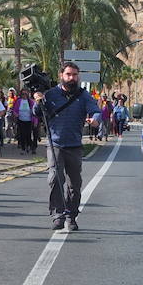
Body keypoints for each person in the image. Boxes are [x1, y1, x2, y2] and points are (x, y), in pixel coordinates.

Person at [37, 62, 99, 231]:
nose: (72, 78)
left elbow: (96, 110)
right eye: (68, 74)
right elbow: (38, 113)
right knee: (56, 178)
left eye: (75, 75)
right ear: (61, 76)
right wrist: (38, 101)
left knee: (74, 185)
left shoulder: (83, 95)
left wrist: (95, 119)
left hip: (75, 146)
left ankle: (71, 216)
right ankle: (58, 215)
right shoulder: (50, 94)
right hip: (55, 144)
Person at [11, 88, 36, 155]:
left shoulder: (31, 102)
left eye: (25, 94)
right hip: (21, 120)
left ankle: (30, 146)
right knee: (22, 135)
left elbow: (35, 112)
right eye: (23, 94)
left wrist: (35, 121)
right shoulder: (18, 101)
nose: (24, 95)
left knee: (28, 134)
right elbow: (14, 109)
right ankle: (23, 148)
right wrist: (15, 113)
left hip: (29, 121)